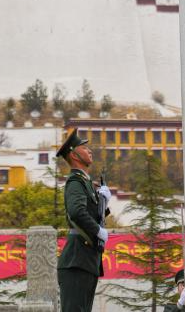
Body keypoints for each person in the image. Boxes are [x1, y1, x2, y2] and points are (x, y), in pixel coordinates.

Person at [56, 128, 111, 312]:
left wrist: (103, 203)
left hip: (86, 261)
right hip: (76, 261)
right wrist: (97, 230)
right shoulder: (75, 182)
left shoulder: (85, 182)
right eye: (84, 148)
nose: (89, 150)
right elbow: (76, 212)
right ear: (74, 155)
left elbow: (88, 213)